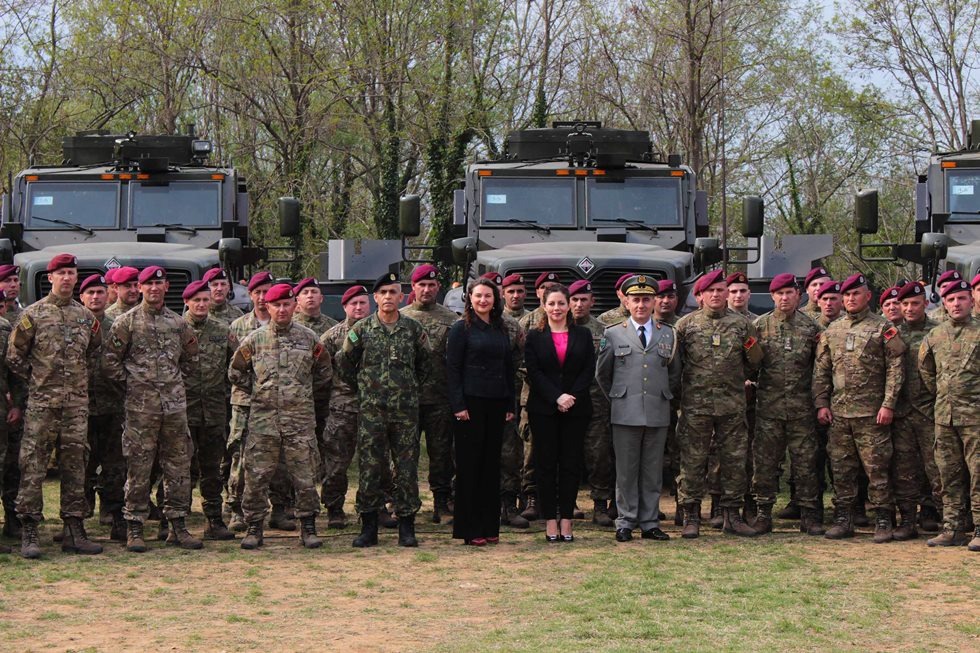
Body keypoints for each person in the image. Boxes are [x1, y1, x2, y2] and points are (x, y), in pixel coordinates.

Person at [7, 254, 102, 558]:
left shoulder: (86, 317)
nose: (66, 278)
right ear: (50, 278)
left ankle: (75, 529)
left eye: (71, 273)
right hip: (42, 405)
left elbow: (93, 355)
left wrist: (77, 382)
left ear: (76, 278)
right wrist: (37, 381)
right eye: (60, 273)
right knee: (33, 466)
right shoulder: (33, 315)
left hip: (75, 406)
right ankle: (30, 530)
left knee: (76, 466)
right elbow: (14, 356)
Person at [103, 266, 202, 552]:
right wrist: (134, 383)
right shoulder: (126, 322)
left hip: (174, 409)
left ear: (167, 287)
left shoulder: (179, 324)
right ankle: (134, 527)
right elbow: (109, 362)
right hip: (140, 409)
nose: (154, 288)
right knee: (138, 466)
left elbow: (192, 359)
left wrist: (174, 383)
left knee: (178, 466)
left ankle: (177, 525)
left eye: (159, 284)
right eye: (148, 284)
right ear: (141, 288)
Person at [229, 283, 332, 549]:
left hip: (299, 422)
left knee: (305, 477)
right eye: (277, 305)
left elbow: (324, 372)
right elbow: (236, 372)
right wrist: (260, 391)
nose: (282, 309)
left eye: (287, 304)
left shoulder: (309, 338)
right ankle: (254, 528)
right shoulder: (254, 340)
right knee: (257, 477)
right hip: (263, 423)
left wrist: (300, 392)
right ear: (268, 307)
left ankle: (308, 527)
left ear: (294, 305)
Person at [337, 272, 431, 548]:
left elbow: (426, 364)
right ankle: (368, 527)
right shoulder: (362, 330)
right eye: (383, 293)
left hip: (405, 414)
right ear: (375, 298)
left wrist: (409, 388)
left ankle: (406, 526)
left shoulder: (413, 329)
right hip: (372, 412)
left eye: (393, 292)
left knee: (406, 469)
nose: (388, 297)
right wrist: (364, 389)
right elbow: (344, 363)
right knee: (370, 468)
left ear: (401, 297)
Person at [813, 272, 906, 543]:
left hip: (872, 414)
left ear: (868, 296)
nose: (851, 299)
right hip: (840, 413)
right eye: (847, 295)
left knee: (877, 469)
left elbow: (896, 369)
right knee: (842, 469)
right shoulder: (833, 330)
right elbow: (822, 370)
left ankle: (883, 519)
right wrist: (821, 403)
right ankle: (844, 518)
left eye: (856, 294)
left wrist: (888, 404)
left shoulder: (883, 327)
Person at [674, 268, 763, 538]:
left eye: (720, 289)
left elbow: (755, 360)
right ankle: (691, 515)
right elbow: (675, 366)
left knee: (734, 461)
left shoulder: (742, 325)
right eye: (710, 290)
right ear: (699, 295)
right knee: (692, 461)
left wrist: (736, 381)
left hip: (732, 406)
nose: (716, 294)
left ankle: (732, 516)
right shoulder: (686, 326)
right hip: (695, 406)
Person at [597, 275, 679, 542]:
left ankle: (649, 522)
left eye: (646, 299)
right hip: (625, 411)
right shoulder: (612, 333)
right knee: (626, 470)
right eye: (636, 299)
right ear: (626, 301)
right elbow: (602, 375)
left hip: (657, 409)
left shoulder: (669, 333)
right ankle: (625, 521)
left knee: (652, 471)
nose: (641, 305)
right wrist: (619, 398)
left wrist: (662, 395)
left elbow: (675, 373)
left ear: (655, 301)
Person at [750, 273, 824, 535]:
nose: (784, 298)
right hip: (769, 407)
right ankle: (763, 513)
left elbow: (821, 368)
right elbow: (750, 366)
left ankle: (809, 514)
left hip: (802, 407)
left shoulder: (812, 328)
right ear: (772, 296)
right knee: (766, 463)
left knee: (806, 463)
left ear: (798, 295)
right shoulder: (758, 326)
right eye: (779, 293)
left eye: (789, 293)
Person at [524, 284, 595, 542]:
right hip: (544, 409)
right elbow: (534, 372)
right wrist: (556, 396)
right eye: (551, 303)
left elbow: (588, 369)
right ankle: (550, 522)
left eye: (561, 303)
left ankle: (566, 520)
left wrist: (570, 397)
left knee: (570, 465)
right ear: (544, 306)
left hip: (576, 409)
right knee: (545, 465)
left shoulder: (584, 335)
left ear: (569, 306)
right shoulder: (533, 336)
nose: (557, 308)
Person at [446, 279, 515, 545]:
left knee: (490, 466)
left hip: (496, 403)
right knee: (470, 467)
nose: (483, 301)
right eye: (478, 296)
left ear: (495, 300)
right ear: (470, 299)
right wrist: (458, 405)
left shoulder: (500, 329)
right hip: (470, 406)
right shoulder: (460, 329)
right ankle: (470, 528)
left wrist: (509, 404)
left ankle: (489, 526)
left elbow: (508, 369)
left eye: (488, 296)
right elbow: (452, 370)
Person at [228, 271, 294, 532]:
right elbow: (232, 368)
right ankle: (237, 510)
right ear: (252, 295)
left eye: (268, 290)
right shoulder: (238, 327)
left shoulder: (289, 323)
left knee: (280, 460)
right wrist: (257, 389)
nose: (264, 296)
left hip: (282, 407)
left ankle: (279, 509)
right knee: (242, 457)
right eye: (258, 291)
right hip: (246, 404)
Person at [918, 279, 980, 550]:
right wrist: (945, 396)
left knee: (978, 474)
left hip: (976, 417)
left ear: (972, 301)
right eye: (951, 299)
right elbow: (927, 372)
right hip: (944, 417)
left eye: (962, 298)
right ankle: (952, 528)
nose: (956, 304)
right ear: (944, 303)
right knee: (948, 474)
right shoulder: (934, 335)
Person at [401, 264, 459, 523]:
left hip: (439, 399)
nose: (426, 289)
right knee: (404, 455)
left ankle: (441, 503)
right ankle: (403, 503)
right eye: (421, 285)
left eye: (431, 285)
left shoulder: (451, 320)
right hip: (406, 400)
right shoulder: (399, 317)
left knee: (441, 454)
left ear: (438, 288)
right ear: (413, 287)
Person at [183, 279, 238, 541]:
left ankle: (214, 520)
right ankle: (176, 522)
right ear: (187, 302)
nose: (202, 304)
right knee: (180, 469)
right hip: (182, 411)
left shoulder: (222, 329)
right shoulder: (176, 329)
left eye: (205, 300)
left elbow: (238, 364)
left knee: (212, 469)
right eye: (197, 301)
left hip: (214, 411)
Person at [79, 273, 127, 541]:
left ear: (108, 294)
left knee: (114, 465)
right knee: (81, 464)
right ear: (82, 297)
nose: (96, 297)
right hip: (81, 406)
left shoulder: (118, 326)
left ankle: (114, 515)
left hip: (112, 406)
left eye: (100, 292)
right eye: (90, 293)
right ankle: (79, 519)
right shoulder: (75, 323)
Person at [320, 285, 372, 529]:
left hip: (374, 408)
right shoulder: (332, 337)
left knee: (374, 462)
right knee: (337, 464)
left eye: (362, 302)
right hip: (342, 409)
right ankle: (334, 508)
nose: (359, 307)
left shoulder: (378, 330)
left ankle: (372, 507)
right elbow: (319, 371)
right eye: (354, 304)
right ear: (345, 307)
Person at [893, 281, 941, 537]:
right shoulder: (891, 332)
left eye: (915, 303)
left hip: (929, 409)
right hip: (901, 412)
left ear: (924, 304)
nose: (910, 308)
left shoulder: (937, 331)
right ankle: (907, 520)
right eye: (905, 304)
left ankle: (935, 513)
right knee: (904, 469)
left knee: (935, 467)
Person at [568, 280, 616, 527]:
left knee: (599, 456)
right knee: (567, 455)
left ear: (592, 302)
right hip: (566, 404)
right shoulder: (559, 328)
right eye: (574, 300)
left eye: (583, 300)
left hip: (596, 403)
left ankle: (600, 505)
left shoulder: (604, 331)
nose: (578, 304)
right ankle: (568, 503)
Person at [517, 271, 561, 521]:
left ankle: (558, 499)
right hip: (532, 396)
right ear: (538, 294)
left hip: (562, 399)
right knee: (532, 450)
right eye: (544, 287)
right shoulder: (527, 322)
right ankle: (531, 497)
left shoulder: (568, 322)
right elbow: (521, 361)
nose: (548, 290)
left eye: (553, 287)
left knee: (559, 451)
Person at [0, 264, 24, 540]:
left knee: (11, 465)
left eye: (16, 280)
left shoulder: (11, 326)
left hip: (8, 406)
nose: (13, 284)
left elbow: (16, 370)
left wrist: (16, 402)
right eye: (7, 280)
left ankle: (13, 519)